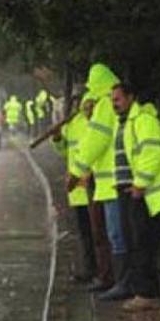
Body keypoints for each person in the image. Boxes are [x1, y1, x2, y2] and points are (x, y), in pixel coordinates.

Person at [102, 83, 160, 311]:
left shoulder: (144, 121)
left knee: (142, 243)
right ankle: (141, 290)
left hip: (143, 195)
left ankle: (147, 294)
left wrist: (140, 184)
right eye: (112, 100)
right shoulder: (123, 124)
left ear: (131, 98)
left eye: (118, 99)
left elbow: (151, 153)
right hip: (127, 190)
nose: (115, 104)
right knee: (134, 242)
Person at [66, 63, 126, 296]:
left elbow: (96, 141)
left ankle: (118, 282)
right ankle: (115, 280)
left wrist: (76, 171)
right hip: (107, 181)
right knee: (111, 233)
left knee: (114, 235)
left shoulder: (105, 106)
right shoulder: (110, 104)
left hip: (111, 181)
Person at [52, 95, 114, 289]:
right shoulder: (74, 124)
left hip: (93, 186)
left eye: (90, 105)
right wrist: (57, 138)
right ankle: (90, 269)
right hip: (76, 190)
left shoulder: (97, 125)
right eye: (84, 106)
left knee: (99, 233)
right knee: (85, 233)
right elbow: (65, 152)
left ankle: (102, 272)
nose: (87, 108)